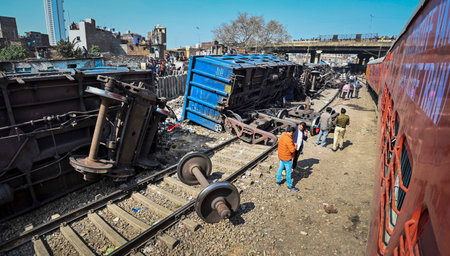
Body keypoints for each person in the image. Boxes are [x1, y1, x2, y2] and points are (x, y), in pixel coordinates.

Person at [276, 126, 298, 192]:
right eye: (293, 133)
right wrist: (295, 146)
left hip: (281, 156)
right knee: (288, 172)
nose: (293, 134)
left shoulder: (282, 136)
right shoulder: (289, 139)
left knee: (280, 168)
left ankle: (278, 181)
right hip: (287, 157)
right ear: (291, 132)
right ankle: (290, 185)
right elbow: (292, 150)